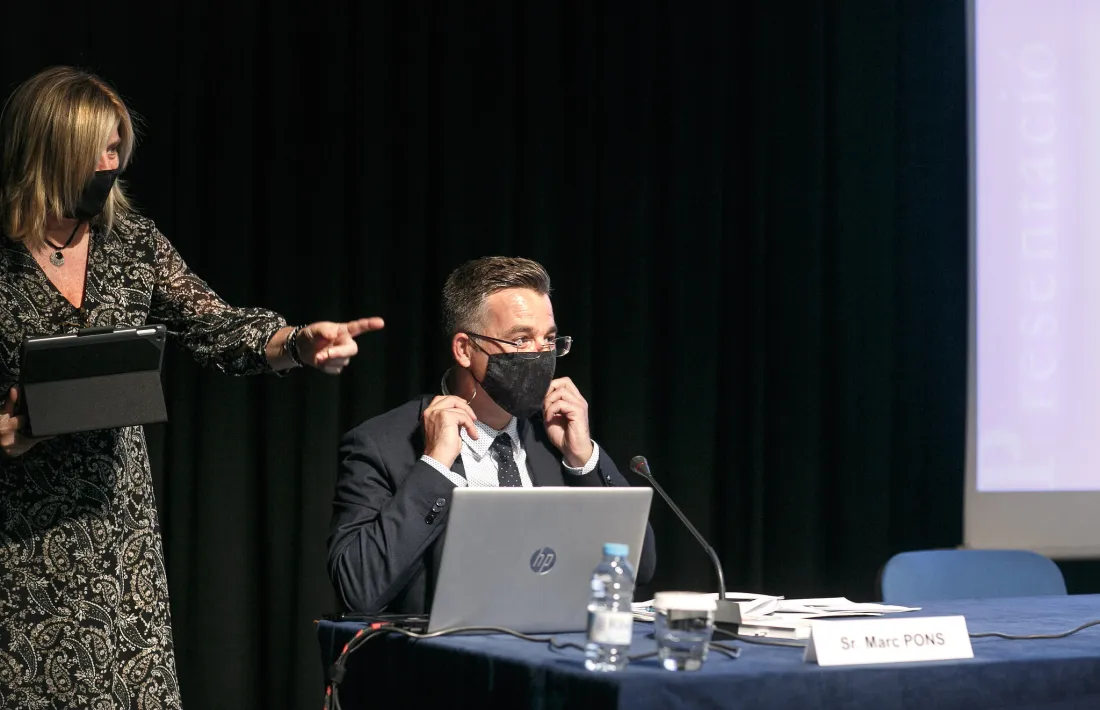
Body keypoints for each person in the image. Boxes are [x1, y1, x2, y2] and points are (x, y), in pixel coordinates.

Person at [0, 67, 383, 709]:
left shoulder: (132, 244)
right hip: (19, 539)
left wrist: (295, 342)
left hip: (118, 536)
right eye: (97, 149)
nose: (110, 164)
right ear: (47, 150)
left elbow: (215, 327)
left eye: (117, 149)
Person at [328, 256, 656, 614]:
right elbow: (357, 590)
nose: (540, 355)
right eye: (521, 339)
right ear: (465, 349)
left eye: (549, 339)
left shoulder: (555, 435)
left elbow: (640, 567)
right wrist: (434, 467)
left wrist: (584, 460)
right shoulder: (383, 443)